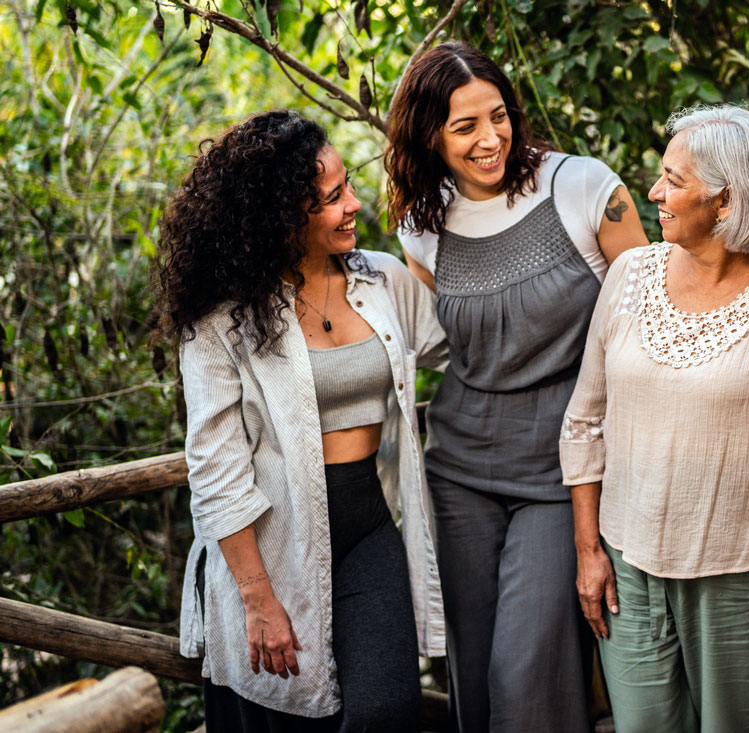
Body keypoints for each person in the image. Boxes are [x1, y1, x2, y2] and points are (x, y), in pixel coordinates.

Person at [384, 41, 648, 733]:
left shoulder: (585, 188)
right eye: (464, 126)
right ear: (429, 136)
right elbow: (443, 345)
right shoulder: (421, 227)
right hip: (460, 469)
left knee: (526, 671)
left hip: (562, 471)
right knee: (472, 676)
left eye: (497, 116)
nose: (490, 138)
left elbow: (651, 319)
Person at [159, 110, 448, 732]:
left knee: (387, 711)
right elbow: (215, 465)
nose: (354, 205)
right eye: (332, 197)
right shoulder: (222, 319)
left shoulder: (382, 279)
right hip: (269, 543)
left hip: (368, 523)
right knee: (290, 718)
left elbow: (463, 346)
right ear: (281, 218)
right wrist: (255, 598)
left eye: (347, 185)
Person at [561, 105, 749, 733]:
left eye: (674, 180)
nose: (655, 193)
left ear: (726, 200)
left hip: (748, 568)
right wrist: (588, 551)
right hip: (625, 566)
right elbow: (584, 421)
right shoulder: (631, 276)